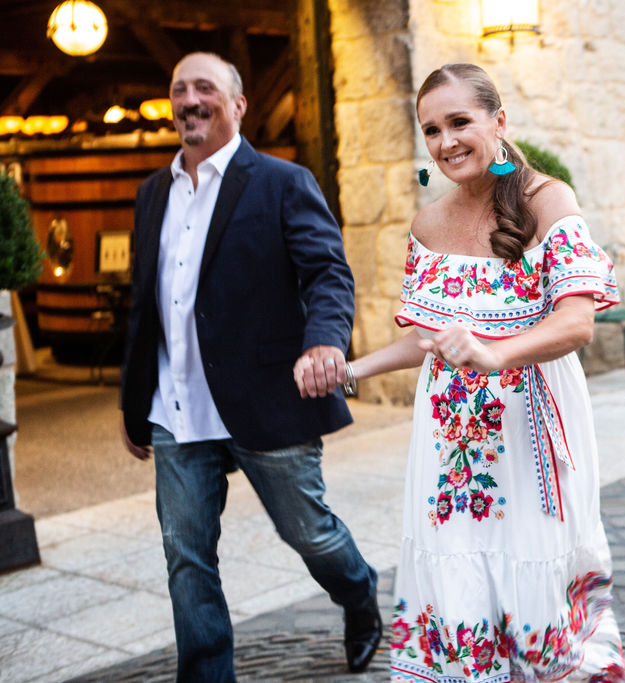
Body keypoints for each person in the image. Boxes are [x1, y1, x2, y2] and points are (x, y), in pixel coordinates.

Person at [305, 63, 625, 681]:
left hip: (528, 434)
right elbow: (429, 339)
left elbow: (576, 324)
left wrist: (494, 354)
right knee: (456, 571)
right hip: (448, 444)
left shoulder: (547, 200)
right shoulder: (428, 223)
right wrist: (351, 369)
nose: (446, 141)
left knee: (531, 572)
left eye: (460, 121)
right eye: (432, 130)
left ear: (499, 121)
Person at [120, 52, 381, 680]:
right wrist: (134, 398)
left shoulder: (283, 182)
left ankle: (359, 595)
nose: (189, 100)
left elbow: (327, 273)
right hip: (175, 409)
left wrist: (325, 342)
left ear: (238, 105)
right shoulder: (152, 192)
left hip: (268, 397)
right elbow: (146, 302)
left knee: (310, 535)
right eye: (178, 90)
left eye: (204, 88)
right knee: (186, 557)